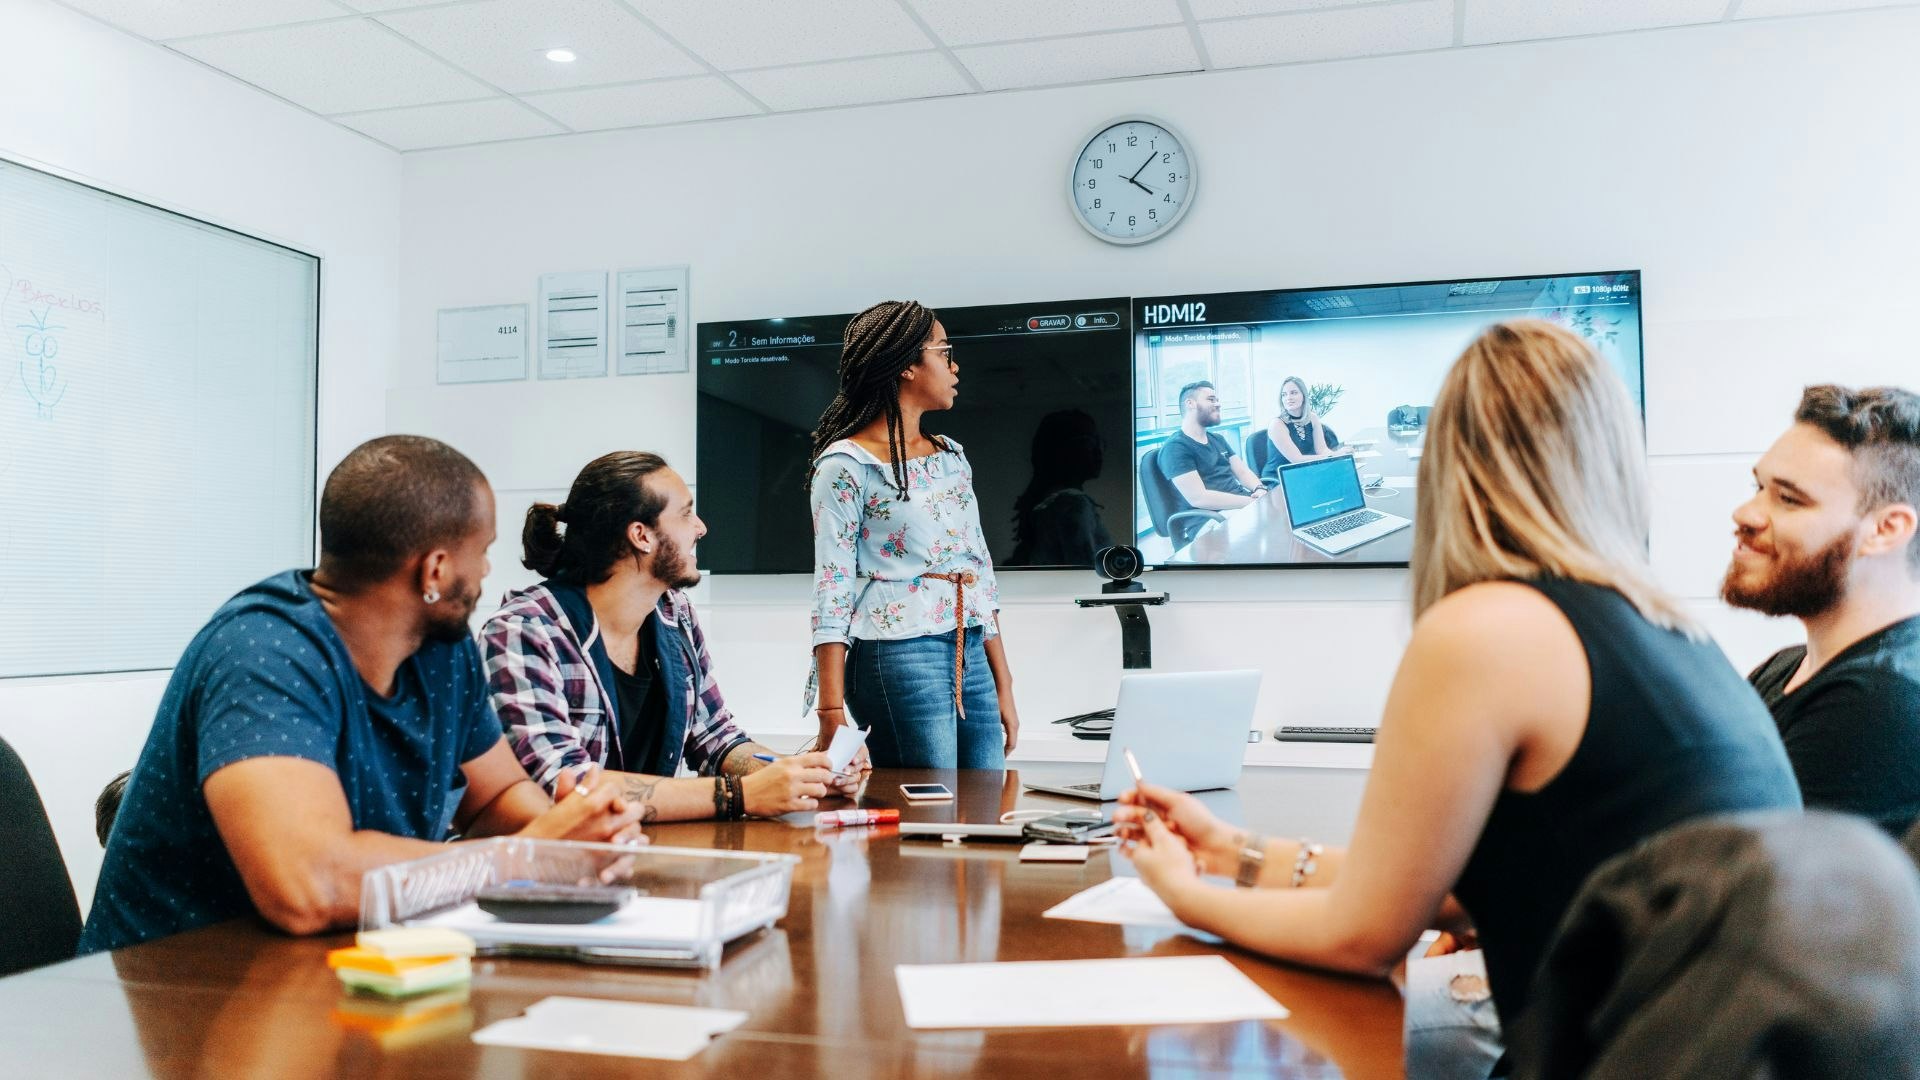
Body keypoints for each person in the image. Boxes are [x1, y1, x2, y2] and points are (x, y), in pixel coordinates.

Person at [1114, 320, 1800, 1062]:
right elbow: (1444, 892)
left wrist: (1181, 894)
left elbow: (1364, 935)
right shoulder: (1664, 625)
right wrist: (1232, 851)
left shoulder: (1489, 630)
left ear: (1451, 462)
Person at [78, 436, 645, 954]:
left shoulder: (441, 650)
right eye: (483, 550)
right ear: (437, 569)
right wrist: (528, 856)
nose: (487, 569)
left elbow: (497, 798)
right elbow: (308, 886)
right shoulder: (263, 652)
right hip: (176, 1001)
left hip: (332, 977)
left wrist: (568, 829)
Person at [482, 451, 867, 820]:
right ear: (641, 535)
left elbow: (716, 739)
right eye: (685, 513)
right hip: (563, 870)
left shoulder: (674, 613)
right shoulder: (524, 632)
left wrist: (802, 777)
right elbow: (565, 786)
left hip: (644, 855)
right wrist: (739, 795)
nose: (701, 527)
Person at [808, 300, 1019, 769]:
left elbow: (978, 571)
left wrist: (1003, 683)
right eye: (944, 353)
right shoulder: (846, 465)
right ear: (906, 365)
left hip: (970, 646)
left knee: (986, 808)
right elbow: (832, 586)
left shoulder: (951, 455)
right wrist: (829, 709)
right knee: (925, 810)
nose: (954, 365)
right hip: (897, 652)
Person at [1721, 384, 1920, 836]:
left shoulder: (1881, 704)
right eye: (1758, 487)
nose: (1746, 513)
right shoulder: (1786, 667)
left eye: (1788, 499)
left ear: (1886, 529)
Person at [1007, 408, 1114, 567]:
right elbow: (1086, 576)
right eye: (1089, 442)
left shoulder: (1049, 503)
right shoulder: (1073, 505)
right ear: (1062, 450)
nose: (1099, 451)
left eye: (1100, 442)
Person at [1158, 380, 1266, 511]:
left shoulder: (1218, 439)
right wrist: (1251, 502)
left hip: (1239, 506)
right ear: (1190, 403)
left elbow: (1242, 472)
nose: (1218, 404)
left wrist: (1259, 489)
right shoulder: (1175, 448)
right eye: (1211, 400)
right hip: (1210, 518)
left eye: (1217, 400)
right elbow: (1199, 498)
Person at [1248, 375, 1351, 484]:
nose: (1288, 398)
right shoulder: (1277, 424)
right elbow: (1296, 459)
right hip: (1280, 479)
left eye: (1293, 393)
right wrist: (1334, 455)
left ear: (1303, 396)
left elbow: (1322, 450)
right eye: (1284, 395)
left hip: (1303, 473)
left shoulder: (1313, 418)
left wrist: (1339, 457)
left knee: (1343, 476)